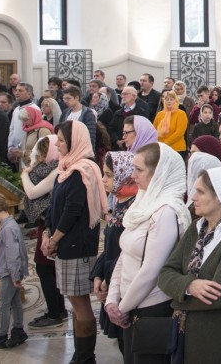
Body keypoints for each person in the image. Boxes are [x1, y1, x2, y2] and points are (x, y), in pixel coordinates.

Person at [157, 168, 221, 362]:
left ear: (220, 197)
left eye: (200, 192)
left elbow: (218, 296)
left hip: (219, 342)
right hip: (187, 337)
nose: (193, 197)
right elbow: (165, 273)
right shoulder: (196, 228)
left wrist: (177, 297)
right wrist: (189, 286)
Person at [105, 143, 190, 364]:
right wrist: (112, 299)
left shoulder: (166, 212)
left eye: (139, 170)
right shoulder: (142, 203)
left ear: (158, 172)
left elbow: (151, 270)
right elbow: (125, 254)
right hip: (130, 305)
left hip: (151, 309)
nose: (132, 176)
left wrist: (122, 308)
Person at [43, 121, 108, 363]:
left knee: (81, 304)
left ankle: (84, 357)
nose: (57, 144)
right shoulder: (65, 167)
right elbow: (54, 205)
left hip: (77, 244)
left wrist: (55, 238)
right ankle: (79, 353)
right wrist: (46, 233)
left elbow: (72, 210)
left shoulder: (84, 170)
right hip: (62, 242)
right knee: (73, 301)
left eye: (61, 139)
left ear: (75, 141)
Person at [19, 133, 67, 329]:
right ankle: (59, 309)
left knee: (44, 266)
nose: (36, 156)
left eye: (40, 151)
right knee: (47, 267)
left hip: (51, 222)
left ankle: (54, 313)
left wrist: (24, 175)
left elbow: (32, 192)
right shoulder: (47, 167)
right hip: (46, 219)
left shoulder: (56, 169)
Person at [92, 150, 136, 353]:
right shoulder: (120, 202)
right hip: (110, 278)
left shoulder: (135, 207)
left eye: (109, 174)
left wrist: (109, 280)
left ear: (124, 174)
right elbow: (109, 245)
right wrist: (99, 274)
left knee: (129, 343)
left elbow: (128, 251)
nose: (104, 179)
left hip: (124, 282)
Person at [0, 192, 29, 349]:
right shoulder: (12, 223)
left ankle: (1, 335)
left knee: (3, 304)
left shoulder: (7, 229)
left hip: (9, 272)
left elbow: (12, 254)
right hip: (14, 271)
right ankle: (18, 329)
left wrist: (15, 276)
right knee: (15, 301)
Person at [152, 90, 188, 157]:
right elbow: (154, 130)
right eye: (167, 99)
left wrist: (166, 142)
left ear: (176, 101)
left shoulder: (181, 114)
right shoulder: (159, 114)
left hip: (177, 149)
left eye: (171, 99)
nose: (169, 101)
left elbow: (179, 132)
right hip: (162, 149)